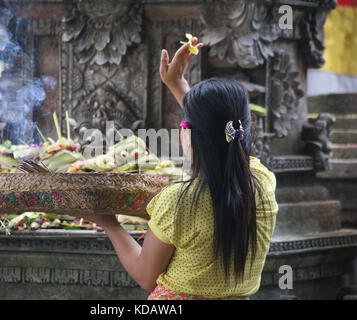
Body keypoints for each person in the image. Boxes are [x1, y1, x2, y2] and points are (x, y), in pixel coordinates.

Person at [74, 38, 279, 300]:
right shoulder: (263, 182)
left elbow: (145, 275)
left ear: (189, 135)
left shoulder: (179, 203)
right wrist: (178, 84)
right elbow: (223, 135)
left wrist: (109, 223)